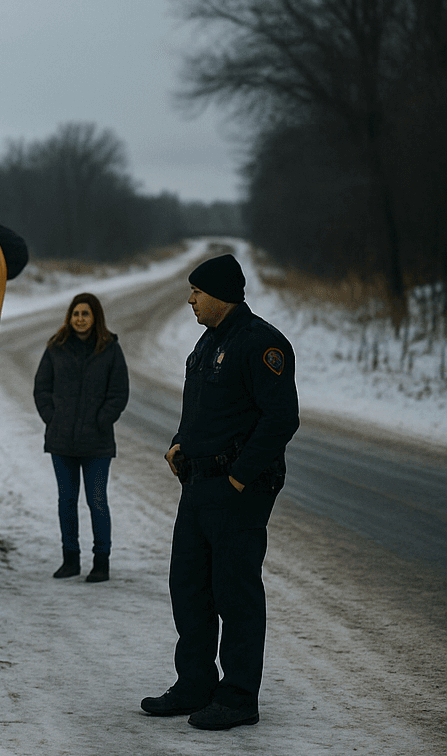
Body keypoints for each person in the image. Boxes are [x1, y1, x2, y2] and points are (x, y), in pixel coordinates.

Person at [142, 253, 299, 731]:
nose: (190, 299)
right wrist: (178, 444)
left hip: (238, 491)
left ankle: (237, 697)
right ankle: (195, 684)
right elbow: (205, 410)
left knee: (236, 594)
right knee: (188, 587)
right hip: (198, 485)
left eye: (197, 291)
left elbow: (280, 419)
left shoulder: (261, 344)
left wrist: (239, 476)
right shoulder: (209, 342)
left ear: (221, 294)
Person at [33, 292, 129, 583]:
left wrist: (102, 420)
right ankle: (70, 560)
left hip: (97, 443)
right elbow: (41, 388)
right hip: (62, 441)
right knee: (67, 501)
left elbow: (119, 393)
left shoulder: (110, 349)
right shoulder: (56, 346)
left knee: (97, 501)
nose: (79, 319)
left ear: (95, 317)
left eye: (85, 314)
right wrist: (53, 417)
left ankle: (101, 562)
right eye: (75, 314)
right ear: (70, 317)